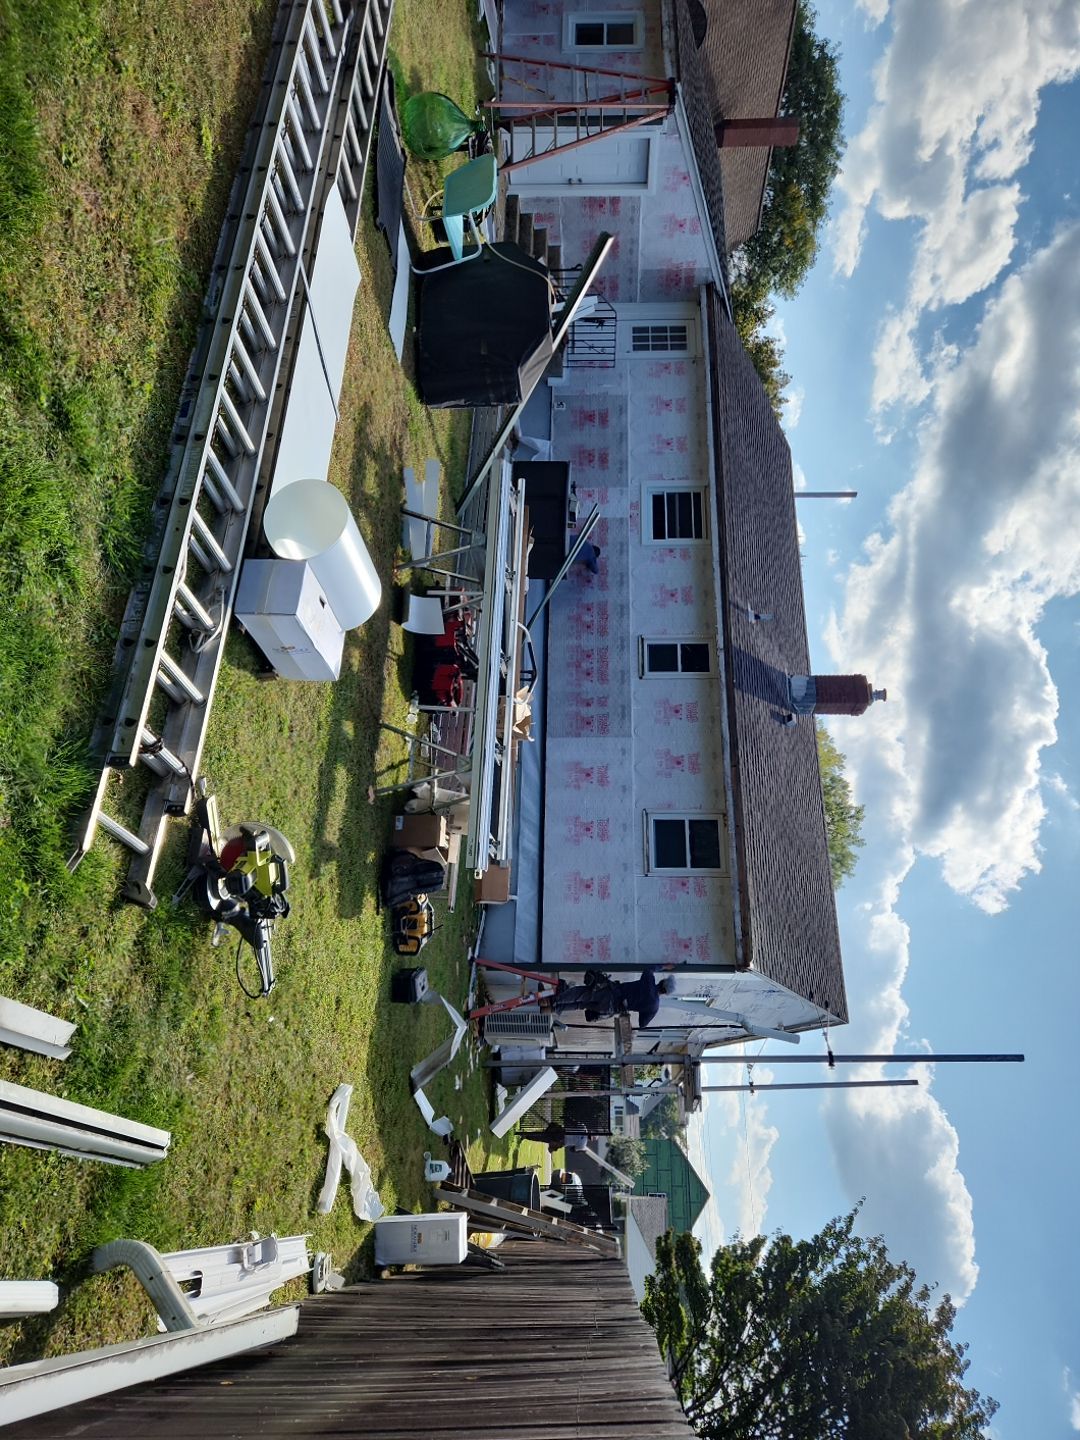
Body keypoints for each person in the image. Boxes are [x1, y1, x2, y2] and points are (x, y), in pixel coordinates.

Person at [553, 967, 674, 1028]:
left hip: (610, 994)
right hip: (610, 1009)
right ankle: (554, 1008)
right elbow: (642, 1024)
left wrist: (664, 966)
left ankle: (552, 1000)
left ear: (662, 982)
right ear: (665, 993)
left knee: (581, 994)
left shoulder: (649, 981)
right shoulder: (654, 1007)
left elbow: (649, 969)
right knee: (581, 1005)